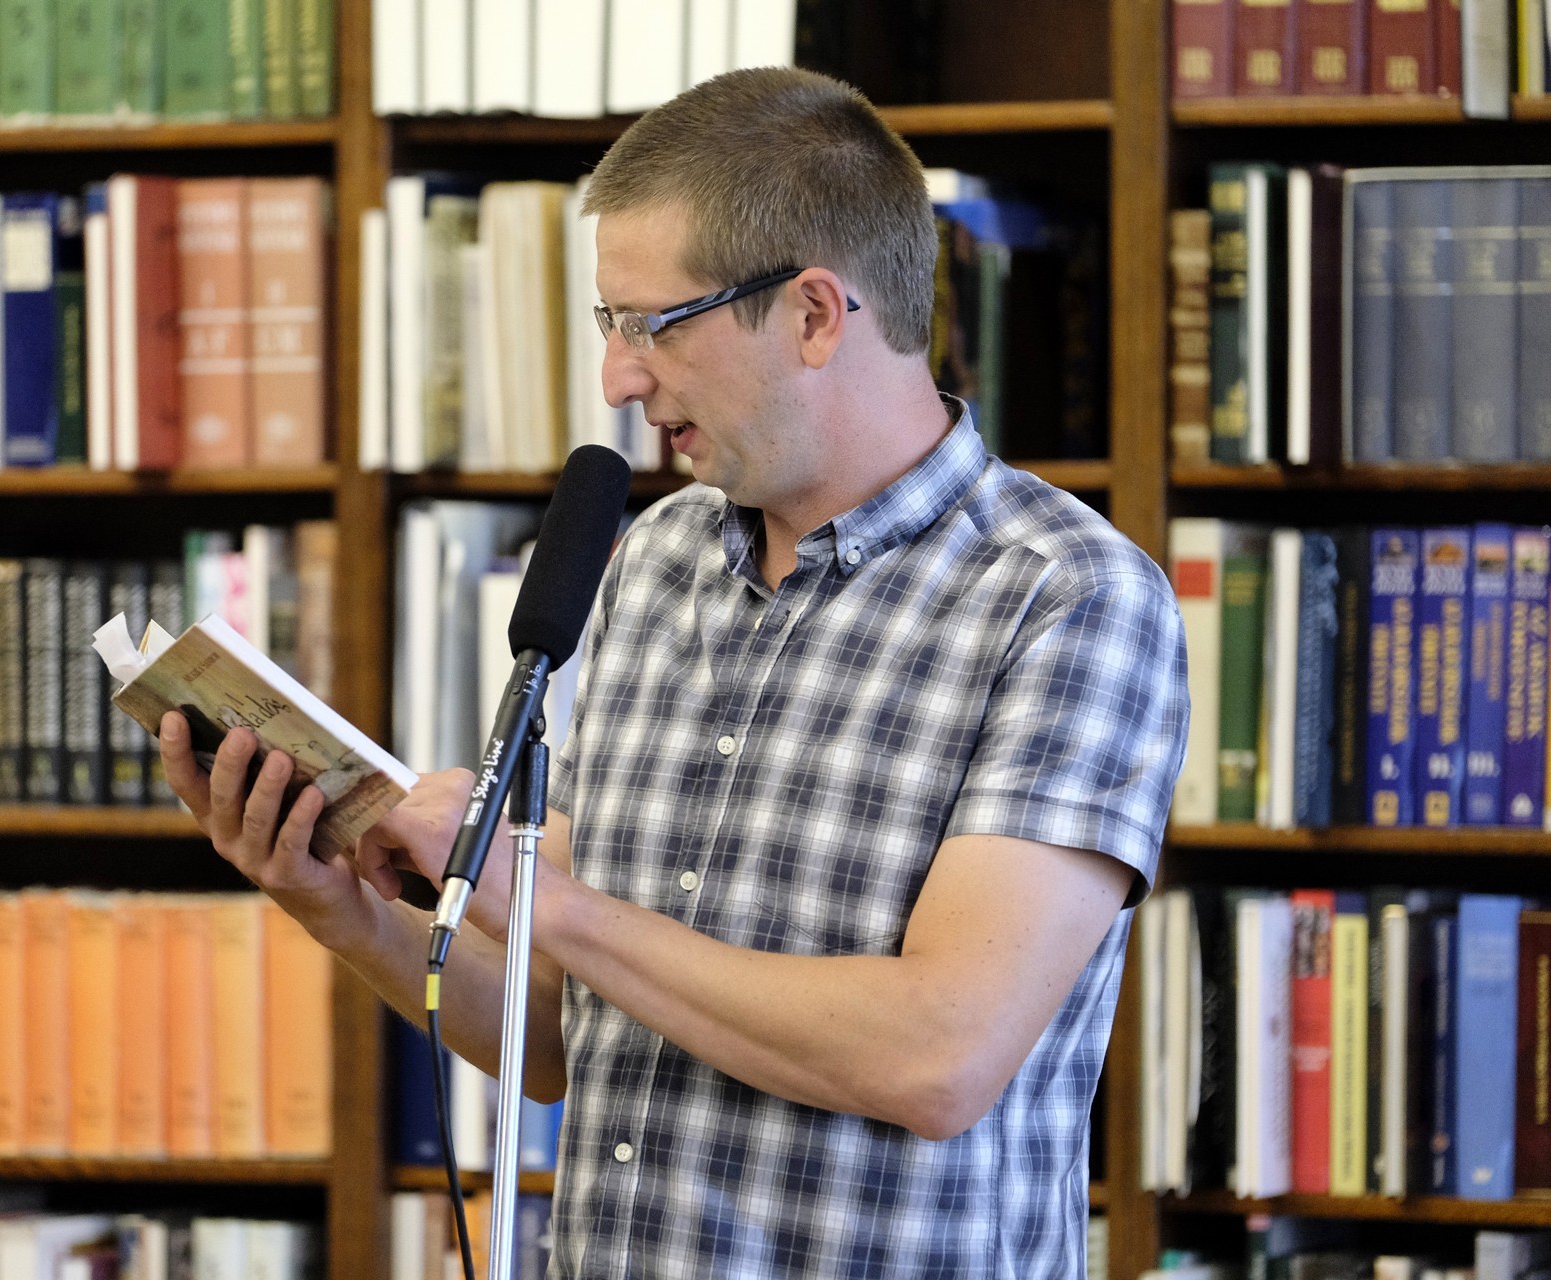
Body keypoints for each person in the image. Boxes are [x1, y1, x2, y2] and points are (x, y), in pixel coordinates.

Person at [161, 65, 1189, 1280]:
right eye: (611, 323)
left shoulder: (1069, 598)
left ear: (815, 315)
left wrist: (545, 899)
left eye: (654, 324)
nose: (619, 378)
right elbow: (564, 1032)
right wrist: (341, 905)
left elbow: (939, 1057)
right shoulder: (652, 560)